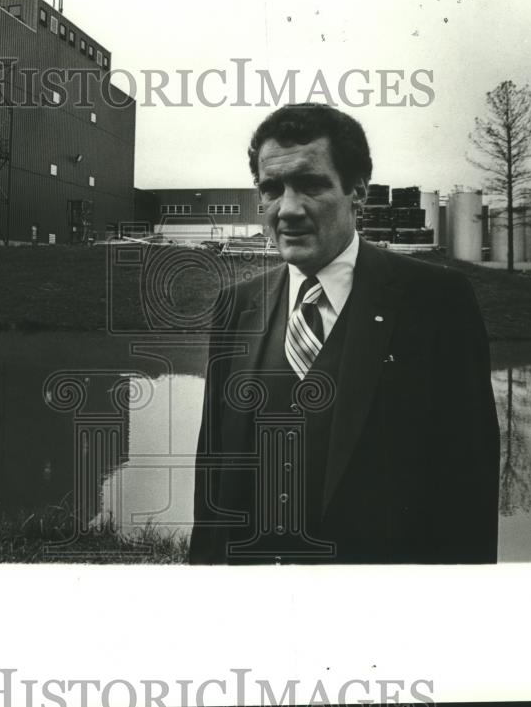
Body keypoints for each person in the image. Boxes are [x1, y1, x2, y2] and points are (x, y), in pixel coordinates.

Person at [190, 104, 501, 564]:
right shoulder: (238, 305)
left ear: (358, 190)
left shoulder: (436, 303)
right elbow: (212, 476)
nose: (288, 209)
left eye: (311, 185)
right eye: (271, 189)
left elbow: (468, 489)